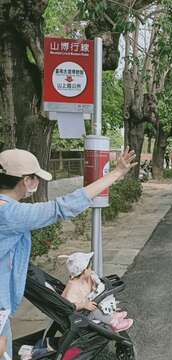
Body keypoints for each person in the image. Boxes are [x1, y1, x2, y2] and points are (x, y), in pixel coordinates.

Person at [0, 147, 136, 358]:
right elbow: (62, 207)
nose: (37, 183)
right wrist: (116, 173)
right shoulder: (10, 213)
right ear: (26, 180)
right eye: (35, 178)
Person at [61, 252, 133, 332]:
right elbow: (69, 305)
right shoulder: (73, 288)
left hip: (85, 306)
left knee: (98, 300)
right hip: (80, 315)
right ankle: (114, 323)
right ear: (84, 271)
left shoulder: (81, 279)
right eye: (89, 268)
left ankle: (112, 315)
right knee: (95, 310)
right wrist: (84, 305)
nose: (91, 270)